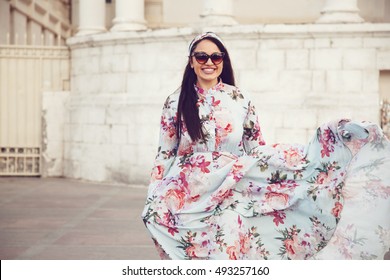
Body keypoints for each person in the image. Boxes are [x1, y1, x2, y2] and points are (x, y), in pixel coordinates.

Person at [142, 32, 390, 260]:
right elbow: (165, 153)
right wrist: (153, 193)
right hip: (187, 194)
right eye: (202, 56)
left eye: (216, 56)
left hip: (231, 187)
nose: (209, 61)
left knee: (229, 242)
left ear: (223, 61)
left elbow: (255, 147)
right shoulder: (175, 101)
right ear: (191, 61)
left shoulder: (239, 98)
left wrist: (294, 160)